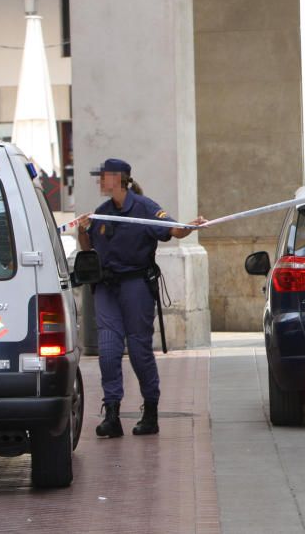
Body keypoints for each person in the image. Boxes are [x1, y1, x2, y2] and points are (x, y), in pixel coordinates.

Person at [76, 159, 205, 438]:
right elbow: (88, 249)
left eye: (104, 176)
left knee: (138, 351)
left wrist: (190, 227)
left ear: (119, 178)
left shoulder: (144, 208)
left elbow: (173, 230)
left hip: (135, 285)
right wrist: (82, 231)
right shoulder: (103, 212)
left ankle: (151, 410)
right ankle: (111, 413)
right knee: (108, 350)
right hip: (107, 287)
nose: (100, 181)